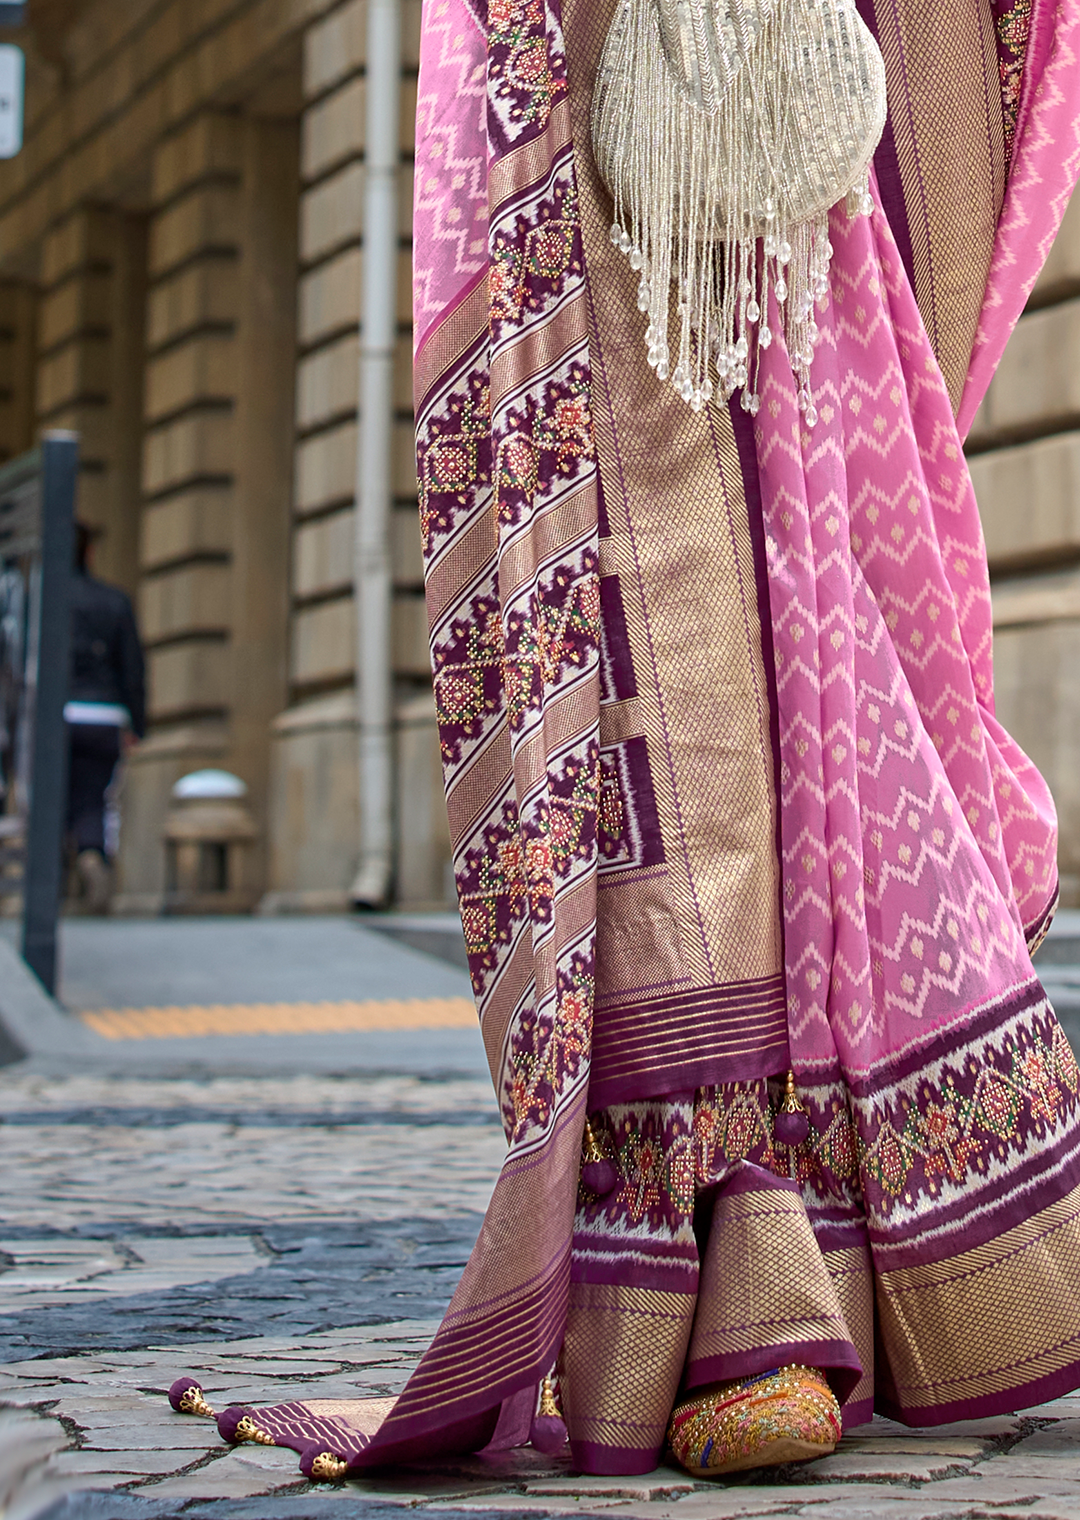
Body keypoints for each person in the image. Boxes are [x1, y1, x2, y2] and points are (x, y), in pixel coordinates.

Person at [166, 0, 1080, 1480]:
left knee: (835, 681)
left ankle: (871, 1267)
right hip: (595, 146)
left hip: (796, 184)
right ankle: (736, 1275)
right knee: (671, 692)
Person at [65, 521, 145, 913]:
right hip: (104, 714)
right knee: (94, 796)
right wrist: (138, 724)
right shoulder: (113, 601)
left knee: (54, 796)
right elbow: (132, 669)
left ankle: (59, 873)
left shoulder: (41, 600)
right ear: (89, 553)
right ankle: (92, 853)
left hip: (57, 714)